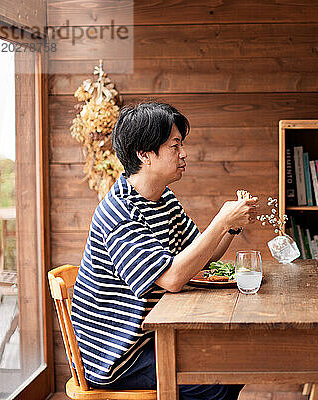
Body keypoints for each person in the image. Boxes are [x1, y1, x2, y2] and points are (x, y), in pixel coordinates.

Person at [71, 102, 256, 399]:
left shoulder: (163, 199)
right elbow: (172, 278)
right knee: (218, 378)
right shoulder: (120, 212)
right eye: (174, 146)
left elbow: (203, 255)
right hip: (118, 357)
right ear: (144, 154)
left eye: (181, 144)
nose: (183, 154)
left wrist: (230, 227)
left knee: (231, 360)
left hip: (150, 338)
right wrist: (220, 221)